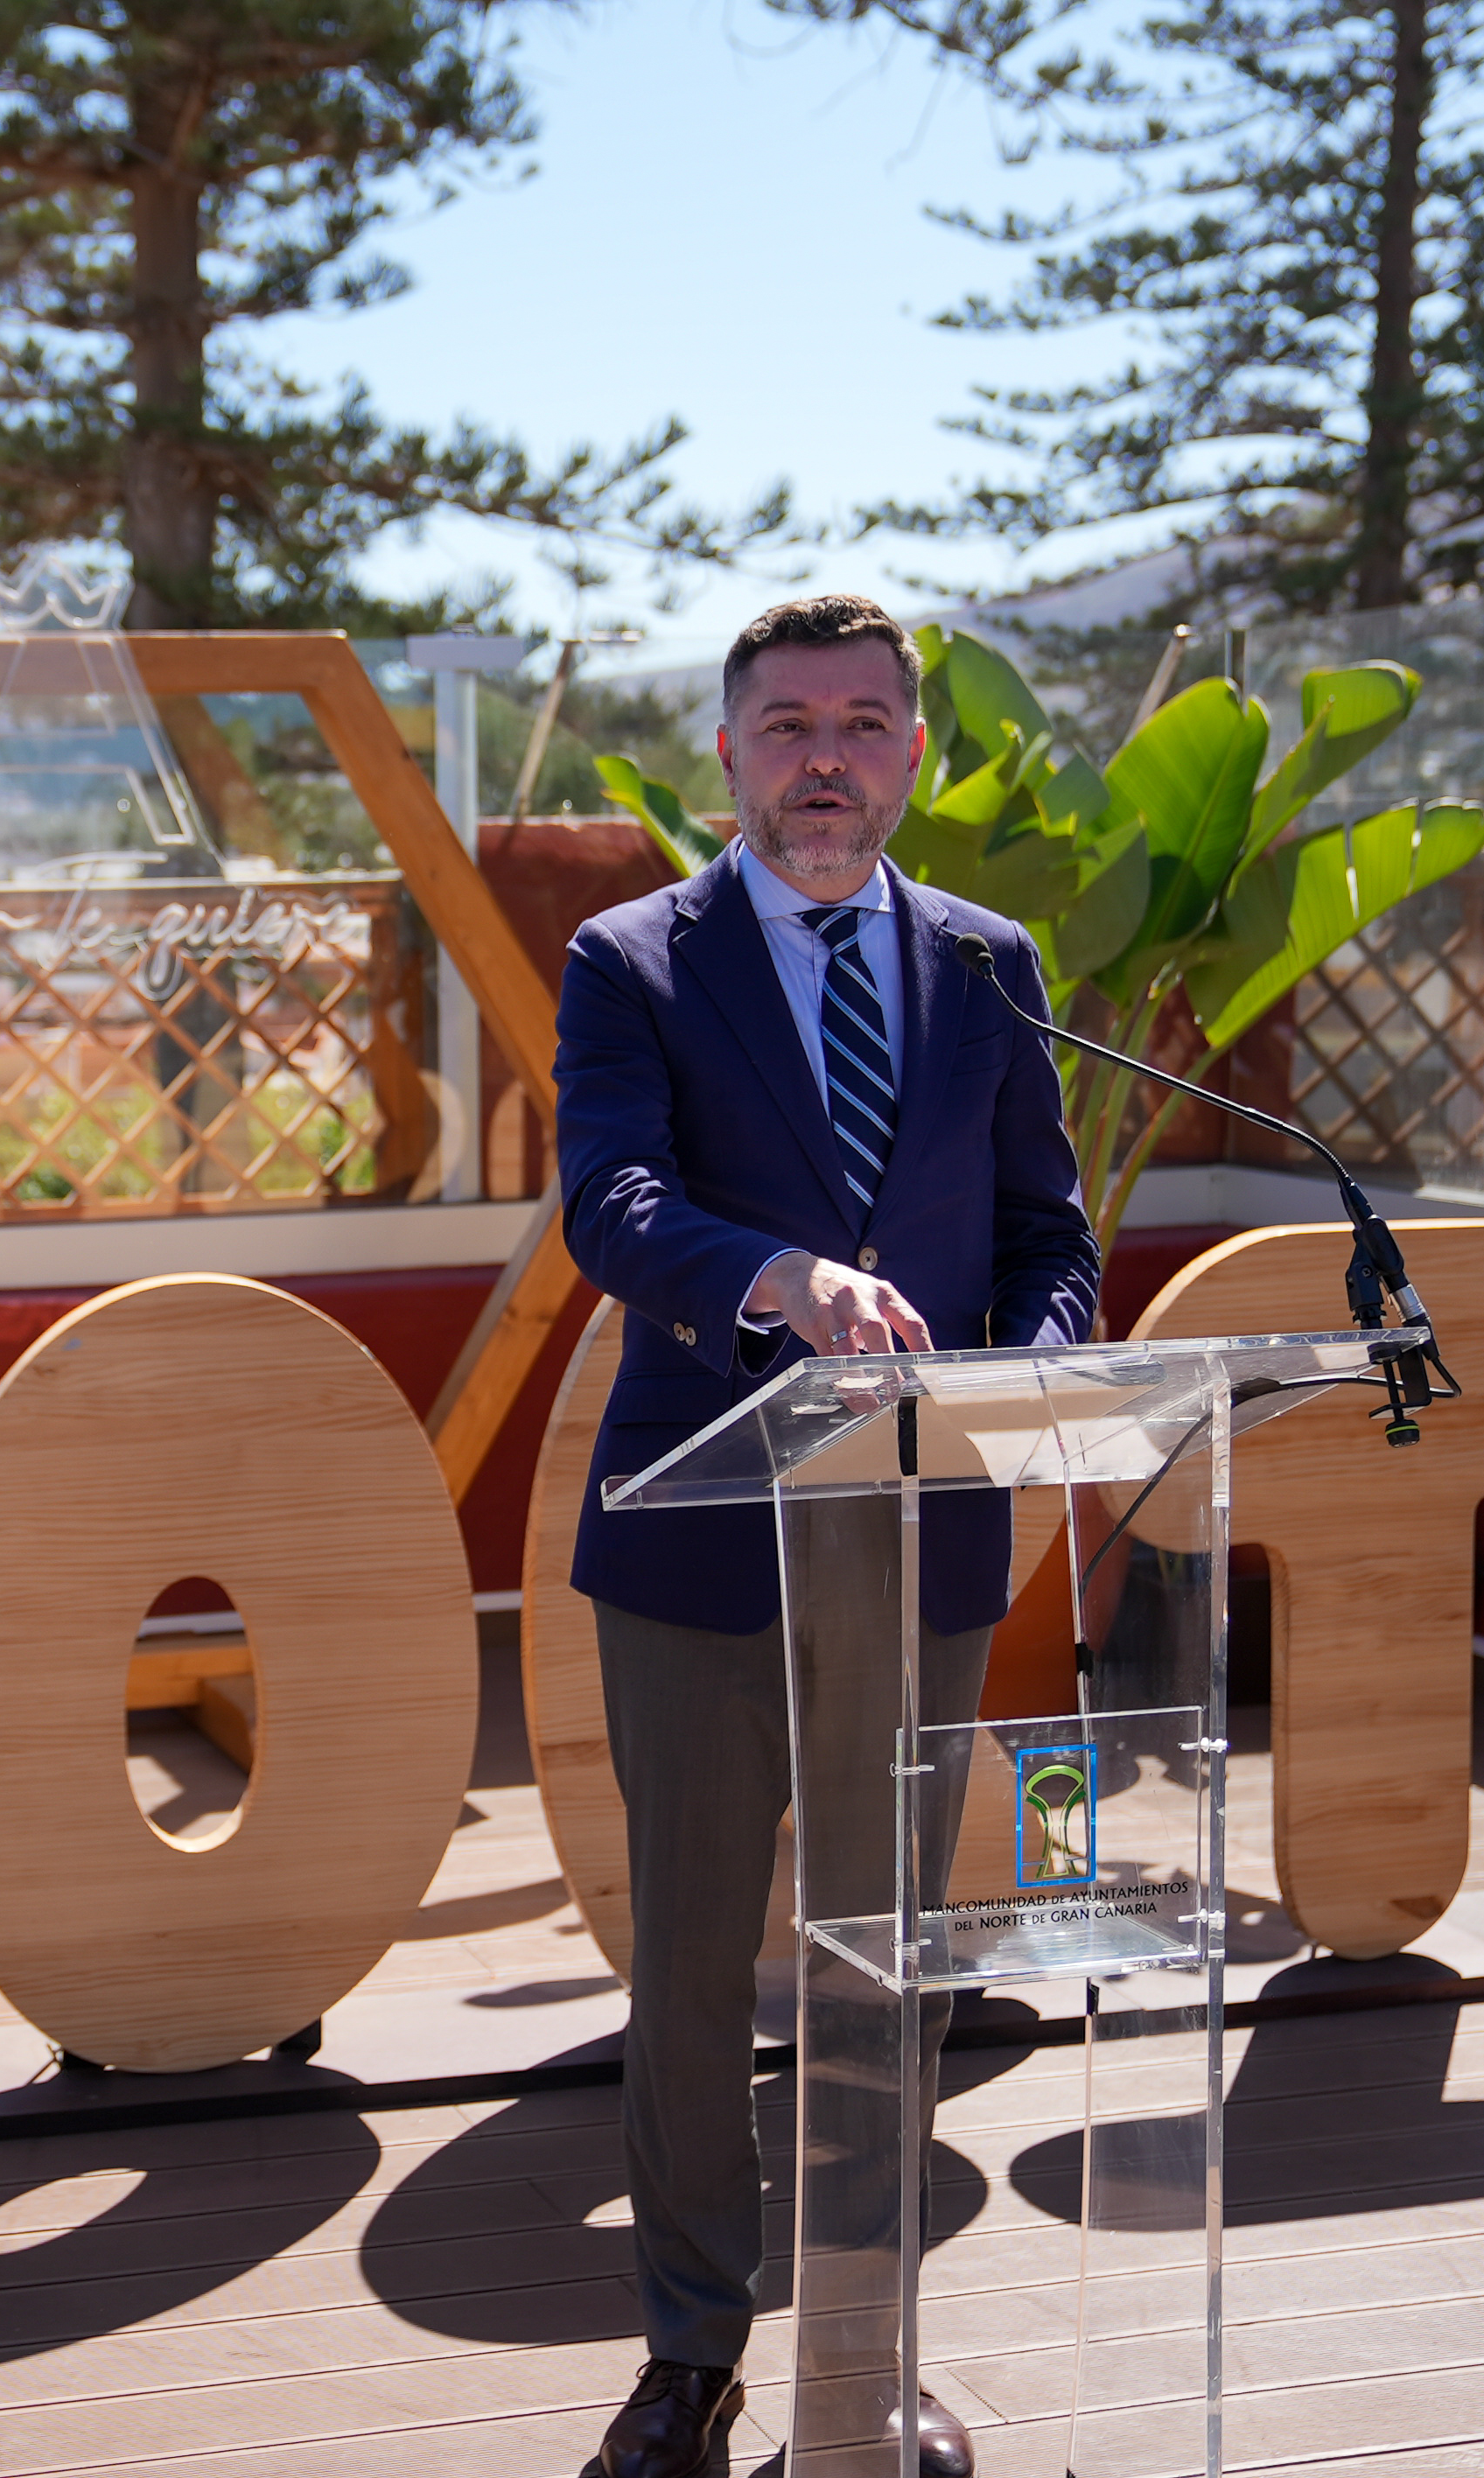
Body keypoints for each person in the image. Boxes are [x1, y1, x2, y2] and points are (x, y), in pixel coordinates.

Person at [553, 594, 1102, 2477]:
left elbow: (1049, 1239)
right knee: (696, 1971)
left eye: (863, 723)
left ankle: (861, 2355)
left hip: (921, 1526)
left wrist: (1007, 1386)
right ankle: (691, 2355)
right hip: (705, 1540)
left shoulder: (987, 962)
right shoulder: (629, 958)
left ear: (912, 756)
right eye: (784, 724)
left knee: (881, 1965)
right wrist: (775, 1279)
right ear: (725, 756)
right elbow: (611, 1204)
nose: (823, 759)